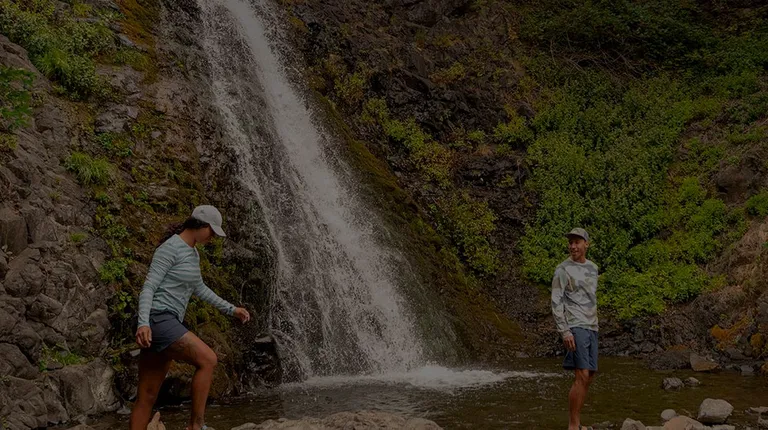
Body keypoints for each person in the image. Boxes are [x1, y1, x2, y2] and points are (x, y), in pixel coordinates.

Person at [129, 205, 251, 430]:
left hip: (168, 322)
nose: (213, 237)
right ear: (200, 225)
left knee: (147, 394)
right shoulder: (170, 248)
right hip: (158, 319)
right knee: (208, 359)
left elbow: (199, 288)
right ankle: (196, 426)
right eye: (212, 231)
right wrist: (143, 323)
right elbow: (149, 286)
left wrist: (232, 309)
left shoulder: (193, 253)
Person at [551, 227, 599, 430]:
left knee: (590, 375)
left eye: (577, 242)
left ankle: (578, 423)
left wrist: (595, 325)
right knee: (582, 375)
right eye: (570, 242)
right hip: (575, 326)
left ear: (586, 244)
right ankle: (573, 425)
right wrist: (565, 331)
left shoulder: (593, 268)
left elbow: (590, 298)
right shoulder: (563, 269)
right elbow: (556, 301)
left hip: (592, 326)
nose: (573, 246)